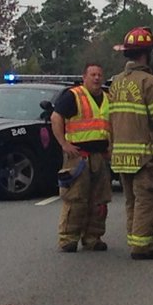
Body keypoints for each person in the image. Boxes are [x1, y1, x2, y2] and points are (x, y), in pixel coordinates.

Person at [109, 27, 153, 260]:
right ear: (147, 54)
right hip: (145, 155)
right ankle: (142, 246)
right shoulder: (149, 83)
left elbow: (110, 119)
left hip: (121, 155)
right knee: (147, 201)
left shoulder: (116, 83)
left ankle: (135, 240)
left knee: (132, 201)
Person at [51, 63, 111, 252]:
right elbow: (55, 118)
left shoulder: (107, 98)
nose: (96, 78)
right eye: (92, 74)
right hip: (78, 157)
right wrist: (64, 144)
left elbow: (109, 125)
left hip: (99, 156)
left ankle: (93, 238)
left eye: (99, 75)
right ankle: (68, 239)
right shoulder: (73, 96)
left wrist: (110, 147)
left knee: (99, 200)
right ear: (84, 77)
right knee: (76, 199)